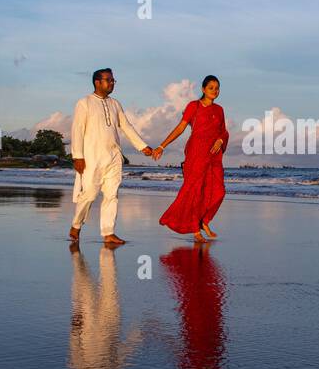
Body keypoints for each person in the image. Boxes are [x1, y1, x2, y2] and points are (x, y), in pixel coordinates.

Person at [69, 68, 154, 245]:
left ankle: (108, 232)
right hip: (92, 156)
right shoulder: (84, 103)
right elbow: (77, 130)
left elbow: (126, 126)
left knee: (111, 195)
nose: (112, 83)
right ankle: (76, 225)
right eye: (108, 80)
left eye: (113, 80)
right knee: (90, 194)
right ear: (97, 82)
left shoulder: (115, 104)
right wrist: (77, 156)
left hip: (114, 156)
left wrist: (142, 146)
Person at [153, 75, 228, 242]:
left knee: (218, 191)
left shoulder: (219, 110)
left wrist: (221, 139)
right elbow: (180, 128)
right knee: (194, 191)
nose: (214, 91)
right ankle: (195, 229)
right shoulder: (194, 106)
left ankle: (204, 220)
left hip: (214, 155)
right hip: (196, 153)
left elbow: (223, 131)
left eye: (217, 88)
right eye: (211, 88)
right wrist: (162, 146)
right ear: (203, 89)